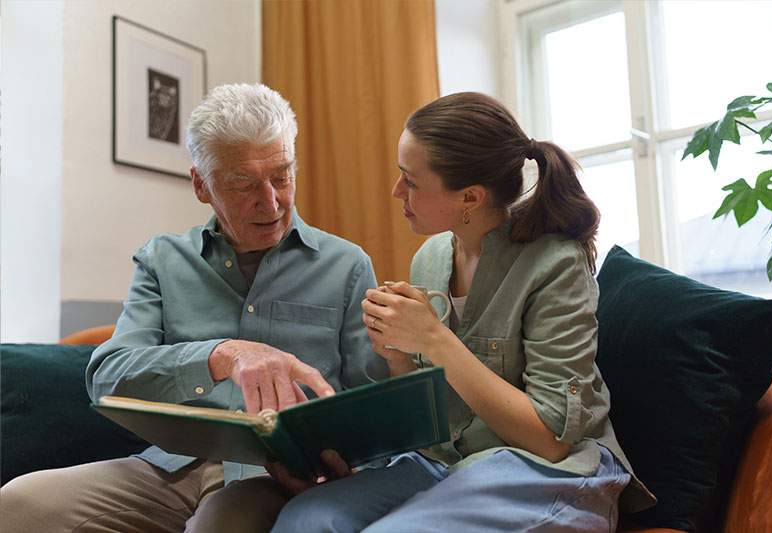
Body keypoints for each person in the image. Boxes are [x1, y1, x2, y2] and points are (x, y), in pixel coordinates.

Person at [0, 83, 388, 532]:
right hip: (169, 468)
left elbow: (371, 403)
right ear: (202, 185)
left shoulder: (347, 265)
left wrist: (333, 461)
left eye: (281, 176)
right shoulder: (162, 260)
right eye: (244, 184)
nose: (271, 201)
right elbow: (107, 376)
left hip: (276, 477)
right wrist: (220, 355)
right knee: (17, 502)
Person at [271, 92, 657, 532]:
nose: (397, 191)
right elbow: (435, 417)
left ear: (470, 197)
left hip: (548, 468)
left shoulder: (556, 264)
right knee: (306, 519)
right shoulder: (431, 258)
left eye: (411, 181)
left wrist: (435, 339)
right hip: (450, 463)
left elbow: (550, 439)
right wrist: (399, 355)